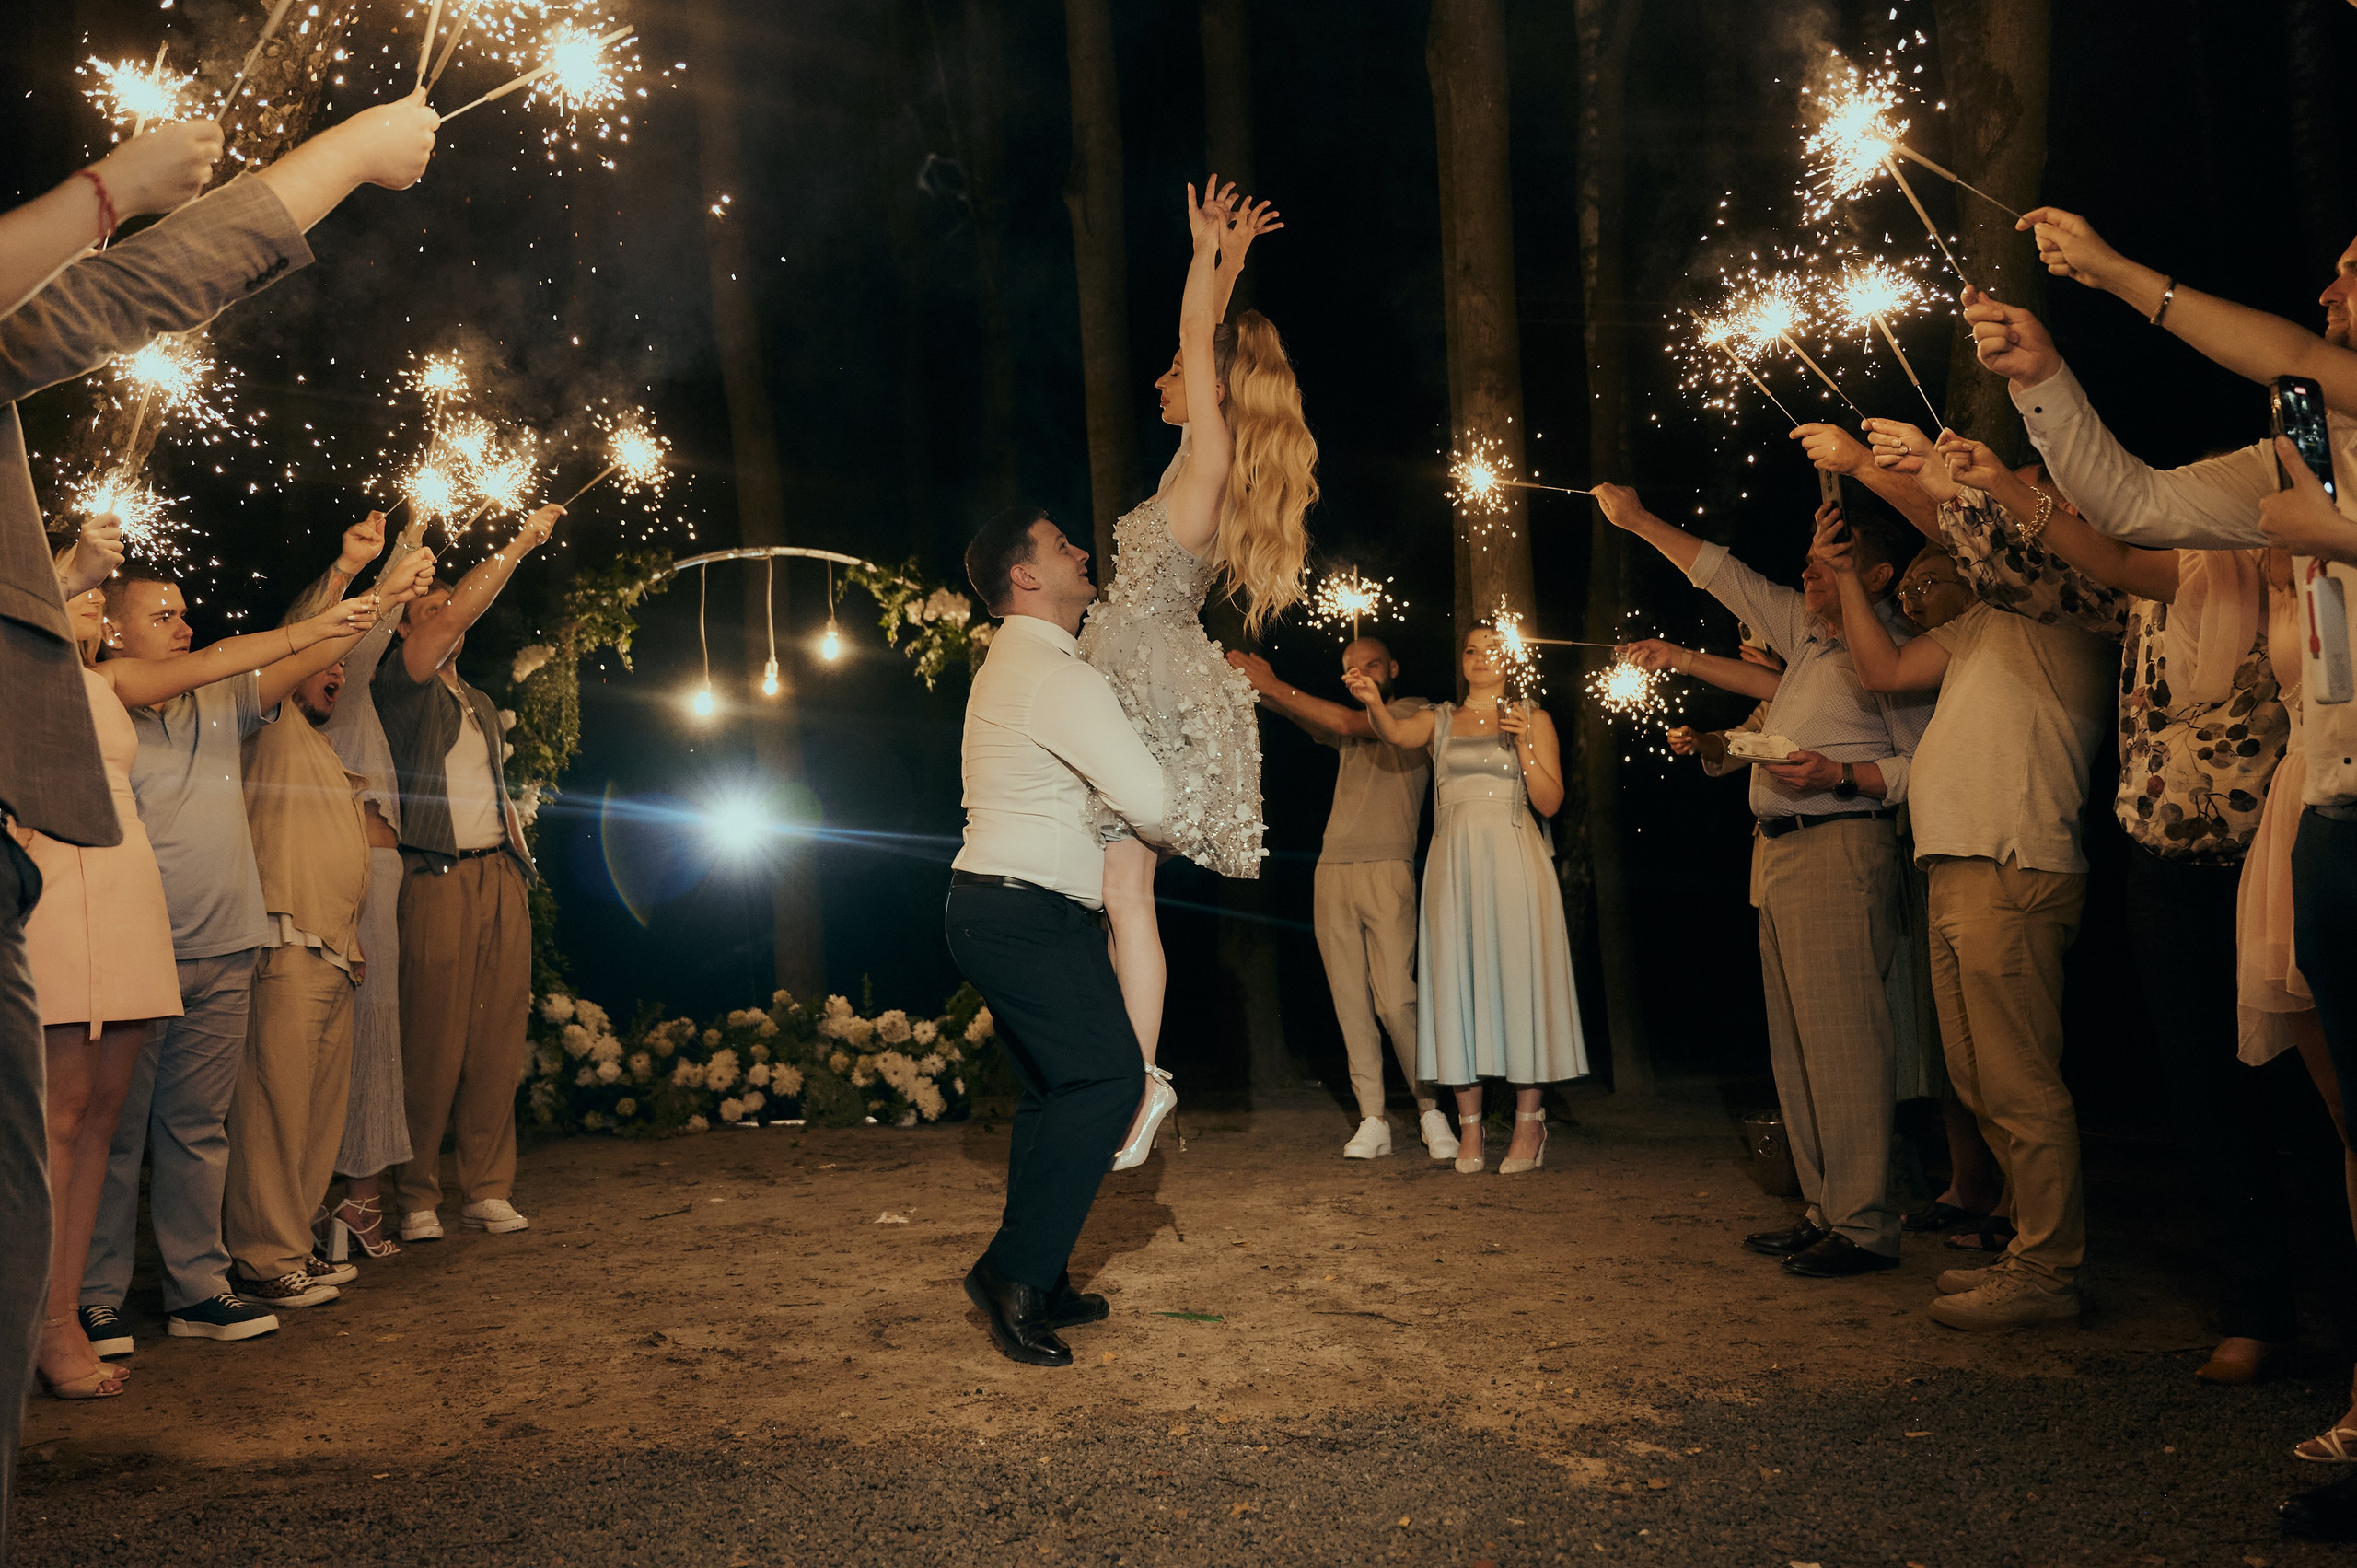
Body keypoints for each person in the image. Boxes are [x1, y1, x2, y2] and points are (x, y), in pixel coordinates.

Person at [0, 95, 434, 1547]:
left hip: (104, 890)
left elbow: (110, 304)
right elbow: (114, 291)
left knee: (93, 1124)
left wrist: (363, 591)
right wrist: (114, 188)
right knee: (79, 1130)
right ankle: (101, 1303)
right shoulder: (118, 672)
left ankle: (72, 1312)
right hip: (71, 888)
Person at [1595, 482, 1933, 1279]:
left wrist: (1840, 775)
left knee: (1845, 1041)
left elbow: (1920, 764)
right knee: (1798, 1045)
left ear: (1875, 576)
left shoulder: (1893, 647)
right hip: (1778, 850)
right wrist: (1639, 520)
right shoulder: (1810, 638)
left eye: (1827, 562)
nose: (1805, 574)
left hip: (1840, 845)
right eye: (1809, 561)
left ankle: (1865, 1224)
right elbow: (1727, 575)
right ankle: (1825, 1209)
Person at [1822, 447, 2119, 1330]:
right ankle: (2028, 1247)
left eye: (2033, 491)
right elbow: (1882, 671)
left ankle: (2050, 1270)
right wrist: (1848, 580)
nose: (2009, 503)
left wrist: (1862, 465)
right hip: (1956, 864)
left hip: (2012, 859)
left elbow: (1967, 531)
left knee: (2020, 1081)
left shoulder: (2070, 591)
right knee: (1978, 1079)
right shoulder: (1990, 613)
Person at [1074, 179, 1302, 1171]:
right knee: (1112, 887)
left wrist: (1206, 251)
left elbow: (1200, 335)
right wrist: (1230, 260)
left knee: (1126, 890)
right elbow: (1209, 337)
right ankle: (1122, 1076)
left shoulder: (1209, 465)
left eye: (1177, 369)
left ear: (1212, 387)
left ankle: (1134, 1085)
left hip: (1149, 688)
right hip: (1131, 676)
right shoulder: (1187, 466)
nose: (1163, 378)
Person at [947, 504, 1169, 1366]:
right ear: (1026, 574)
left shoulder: (1025, 663)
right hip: (1022, 910)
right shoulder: (1054, 675)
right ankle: (1009, 1274)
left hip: (1011, 907)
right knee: (1107, 1080)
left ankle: (1039, 1276)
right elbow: (1151, 802)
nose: (1082, 550)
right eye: (1061, 543)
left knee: (1053, 1093)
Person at [225, 538, 434, 1304]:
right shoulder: (268, 719)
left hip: (335, 952)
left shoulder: (319, 747)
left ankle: (293, 1244)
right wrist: (363, 576)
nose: (338, 674)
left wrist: (351, 944)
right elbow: (314, 634)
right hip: (284, 945)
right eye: (328, 666)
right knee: (274, 1109)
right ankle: (261, 1257)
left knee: (314, 1114)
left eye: (343, 670)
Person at [377, 504, 563, 1242]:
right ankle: (416, 1192)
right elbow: (455, 613)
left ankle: (487, 1186)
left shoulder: (478, 701)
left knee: (495, 1041)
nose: (449, 617)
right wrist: (520, 542)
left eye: (450, 608)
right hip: (437, 874)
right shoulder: (401, 682)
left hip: (498, 874)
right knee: (431, 1041)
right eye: (431, 611)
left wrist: (517, 866)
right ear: (403, 629)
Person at [1343, 624, 1584, 1173]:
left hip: (1516, 861)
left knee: (1521, 984)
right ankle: (1469, 1128)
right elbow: (1395, 734)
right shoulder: (1441, 718)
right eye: (1470, 650)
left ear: (1509, 659)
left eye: (1491, 650)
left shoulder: (1533, 717)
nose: (1479, 658)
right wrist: (1374, 701)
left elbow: (1550, 802)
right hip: (1454, 865)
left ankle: (1529, 1125)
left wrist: (1523, 744)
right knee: (1456, 987)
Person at [1226, 640, 1452, 1160]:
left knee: (1395, 1000)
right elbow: (1306, 714)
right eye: (1352, 668)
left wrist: (1275, 684)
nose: (1363, 672)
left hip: (1388, 870)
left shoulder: (1416, 711)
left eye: (1372, 664)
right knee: (1349, 999)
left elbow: (1350, 723)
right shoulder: (1347, 722)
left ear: (1394, 668)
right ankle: (1373, 1118)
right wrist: (1254, 687)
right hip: (1332, 870)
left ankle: (1430, 1109)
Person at [282, 515, 431, 1261]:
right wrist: (394, 556)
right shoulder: (293, 700)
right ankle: (305, 1204)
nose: (339, 668)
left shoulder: (354, 689)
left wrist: (415, 534)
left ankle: (358, 1198)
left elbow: (360, 640)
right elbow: (349, 631)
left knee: (373, 1031)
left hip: (377, 870)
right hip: (321, 878)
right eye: (328, 656)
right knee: (313, 1041)